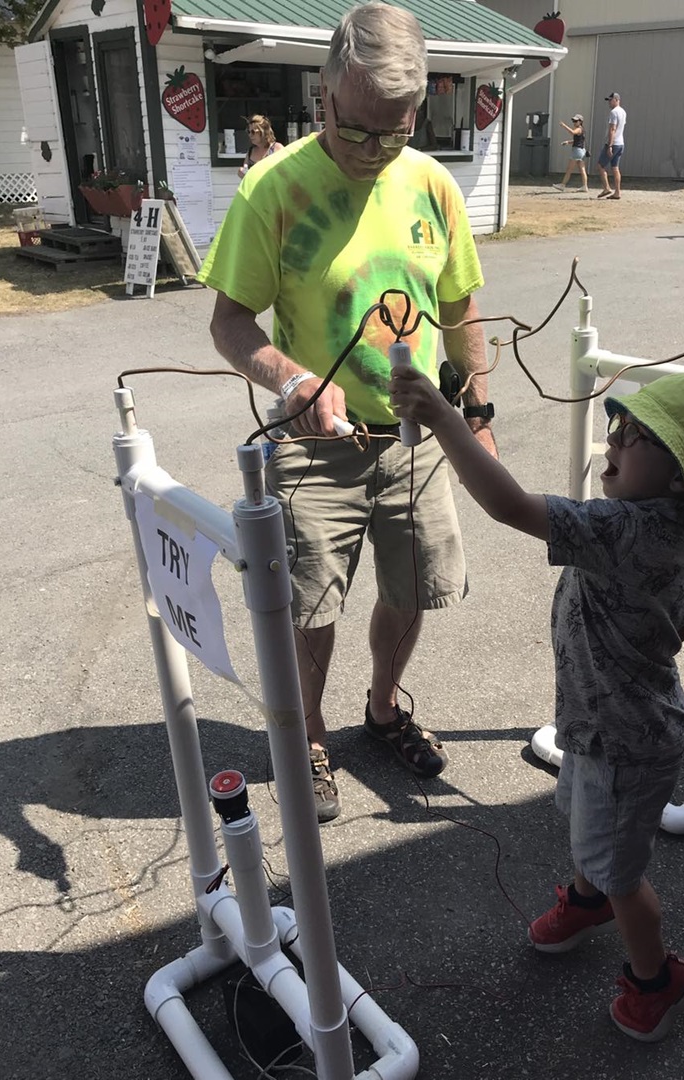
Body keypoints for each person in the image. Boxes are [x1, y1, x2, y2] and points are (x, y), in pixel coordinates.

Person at [389, 367, 684, 1041]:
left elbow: (508, 506)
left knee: (624, 873)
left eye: (635, 436)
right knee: (593, 830)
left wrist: (447, 418)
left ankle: (658, 981)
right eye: (617, 425)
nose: (612, 440)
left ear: (680, 476)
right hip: (607, 726)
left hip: (624, 739)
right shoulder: (680, 535)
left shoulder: (624, 530)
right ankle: (587, 901)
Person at [197, 3, 494, 822]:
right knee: (310, 607)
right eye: (357, 129)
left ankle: (384, 706)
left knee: (410, 588)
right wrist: (292, 380)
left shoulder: (431, 183)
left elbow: (461, 306)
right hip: (314, 443)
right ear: (323, 92)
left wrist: (479, 407)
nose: (372, 152)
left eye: (393, 134)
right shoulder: (274, 187)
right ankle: (312, 734)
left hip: (417, 435)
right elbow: (229, 324)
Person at [597, 92, 626, 200]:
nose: (609, 102)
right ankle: (617, 192)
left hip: (613, 143)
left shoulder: (614, 112)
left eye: (611, 100)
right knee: (615, 168)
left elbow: (612, 129)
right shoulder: (623, 112)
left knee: (600, 166)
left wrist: (609, 145)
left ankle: (606, 188)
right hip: (620, 143)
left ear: (616, 100)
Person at [553, 114, 588, 192]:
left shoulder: (579, 129)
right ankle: (585, 186)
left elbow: (572, 132)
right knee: (582, 170)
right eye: (573, 121)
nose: (574, 123)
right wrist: (568, 142)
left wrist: (564, 125)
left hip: (577, 151)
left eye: (576, 121)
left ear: (580, 122)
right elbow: (577, 141)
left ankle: (562, 185)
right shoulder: (582, 129)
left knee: (569, 169)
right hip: (582, 151)